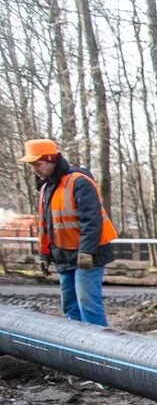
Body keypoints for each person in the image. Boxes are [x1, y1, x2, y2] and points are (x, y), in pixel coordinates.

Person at [21, 138, 118, 326]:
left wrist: (86, 251)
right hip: (63, 256)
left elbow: (91, 220)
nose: (35, 169)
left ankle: (98, 347)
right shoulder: (45, 188)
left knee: (87, 303)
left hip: (88, 256)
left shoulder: (78, 181)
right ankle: (76, 348)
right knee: (70, 305)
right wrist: (44, 254)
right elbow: (46, 226)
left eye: (37, 164)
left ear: (51, 160)